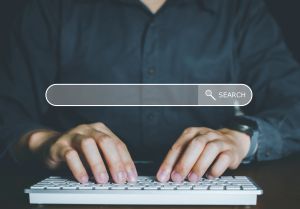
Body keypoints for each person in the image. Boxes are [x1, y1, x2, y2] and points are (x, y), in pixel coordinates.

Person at [0, 0, 300, 184]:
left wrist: (241, 139)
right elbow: (8, 110)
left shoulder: (240, 9)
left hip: (207, 189)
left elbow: (294, 103)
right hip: (75, 188)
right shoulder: (51, 7)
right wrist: (44, 143)